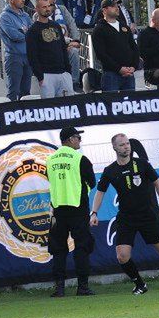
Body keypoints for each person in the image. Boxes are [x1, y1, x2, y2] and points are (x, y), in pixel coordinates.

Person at [92, 134, 159, 294]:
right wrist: (94, 213)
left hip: (148, 216)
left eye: (127, 143)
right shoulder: (110, 171)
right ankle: (140, 284)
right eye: (121, 145)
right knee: (122, 256)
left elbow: (158, 183)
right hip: (126, 218)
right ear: (114, 147)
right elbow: (100, 192)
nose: (126, 147)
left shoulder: (142, 164)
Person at [45, 126, 96, 297]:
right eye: (77, 138)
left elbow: (50, 179)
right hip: (78, 208)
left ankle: (59, 288)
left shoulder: (50, 159)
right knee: (82, 247)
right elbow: (92, 182)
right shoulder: (79, 158)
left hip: (58, 210)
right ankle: (82, 286)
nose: (79, 141)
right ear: (69, 139)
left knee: (58, 249)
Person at [26, 1, 77, 98]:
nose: (47, 9)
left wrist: (68, 71)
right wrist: (40, 76)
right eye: (44, 7)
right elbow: (32, 55)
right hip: (46, 75)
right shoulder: (33, 30)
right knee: (49, 107)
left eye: (48, 6)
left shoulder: (56, 25)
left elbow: (63, 48)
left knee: (67, 106)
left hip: (63, 73)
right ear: (36, 9)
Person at [91, 1, 141, 93]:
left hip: (129, 73)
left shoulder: (124, 26)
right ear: (105, 10)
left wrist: (134, 66)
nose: (117, 8)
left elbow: (134, 47)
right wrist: (118, 69)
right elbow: (101, 54)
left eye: (117, 6)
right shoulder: (99, 29)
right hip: (111, 75)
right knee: (111, 103)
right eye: (113, 6)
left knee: (129, 103)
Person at [0, 0, 33, 101]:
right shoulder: (5, 16)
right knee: (14, 91)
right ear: (11, 0)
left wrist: (24, 33)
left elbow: (33, 33)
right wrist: (27, 34)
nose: (23, 0)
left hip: (27, 56)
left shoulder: (26, 16)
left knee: (26, 91)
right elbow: (14, 36)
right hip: (14, 57)